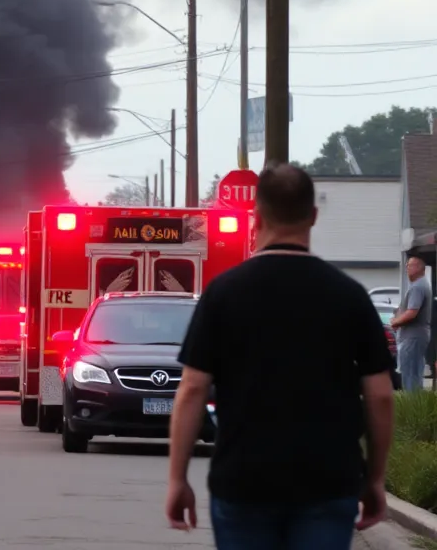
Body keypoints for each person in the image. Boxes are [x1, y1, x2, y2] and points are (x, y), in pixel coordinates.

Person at [166, 162, 395, 549]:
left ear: (256, 218)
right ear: (314, 216)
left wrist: (177, 479)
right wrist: (374, 478)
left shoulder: (223, 294)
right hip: (328, 482)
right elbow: (381, 395)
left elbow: (192, 389)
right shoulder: (349, 296)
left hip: (243, 482)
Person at [391, 256, 432, 391]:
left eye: (409, 266)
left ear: (419, 268)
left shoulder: (418, 287)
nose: (407, 269)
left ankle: (411, 402)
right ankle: (415, 402)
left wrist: (395, 322)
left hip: (412, 337)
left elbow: (412, 312)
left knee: (409, 376)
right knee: (414, 374)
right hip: (416, 336)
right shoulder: (420, 285)